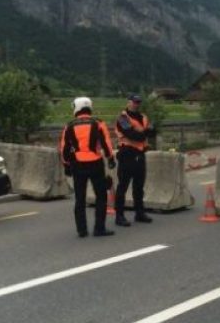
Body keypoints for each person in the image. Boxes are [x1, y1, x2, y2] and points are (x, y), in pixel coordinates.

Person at [59, 97, 117, 238]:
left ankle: (82, 230)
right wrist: (110, 158)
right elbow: (107, 144)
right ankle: (99, 229)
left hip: (78, 164)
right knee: (101, 196)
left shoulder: (69, 125)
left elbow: (64, 148)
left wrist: (66, 164)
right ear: (89, 107)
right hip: (95, 163)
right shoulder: (98, 123)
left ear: (77, 108)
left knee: (80, 198)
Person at [113, 94, 156, 226]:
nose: (136, 104)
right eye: (134, 102)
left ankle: (139, 213)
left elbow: (154, 132)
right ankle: (119, 216)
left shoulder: (143, 117)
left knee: (139, 186)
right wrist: (144, 133)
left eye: (138, 102)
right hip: (127, 154)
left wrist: (142, 134)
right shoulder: (122, 118)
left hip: (140, 154)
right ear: (128, 102)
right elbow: (132, 135)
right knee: (123, 186)